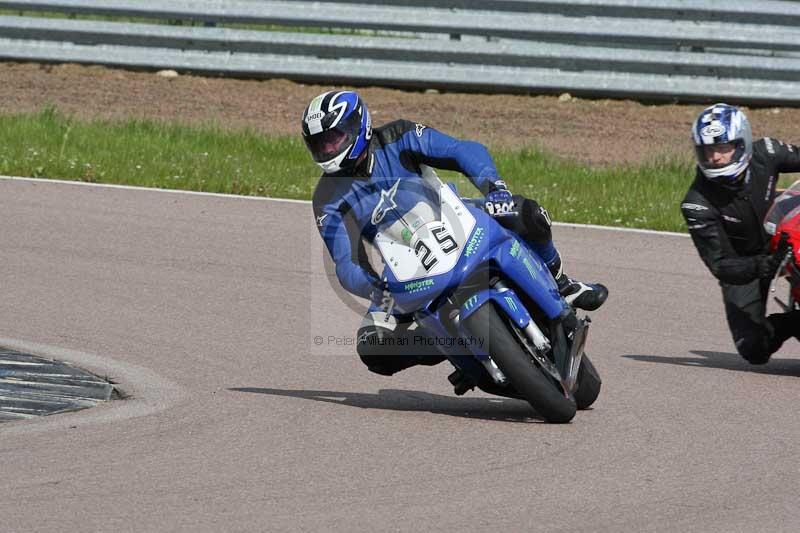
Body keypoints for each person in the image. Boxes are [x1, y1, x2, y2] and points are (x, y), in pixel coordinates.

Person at [304, 90, 608, 378]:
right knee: (372, 346)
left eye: (333, 139)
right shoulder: (326, 199)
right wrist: (375, 288)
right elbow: (345, 264)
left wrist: (494, 188)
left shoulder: (399, 135)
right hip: (403, 267)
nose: (327, 150)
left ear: (360, 126)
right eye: (319, 145)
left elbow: (461, 150)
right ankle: (451, 347)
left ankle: (561, 282)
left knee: (523, 212)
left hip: (455, 218)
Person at [681, 102, 800, 365]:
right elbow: (720, 265)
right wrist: (763, 265)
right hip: (745, 262)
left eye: (722, 147)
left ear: (742, 143)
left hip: (785, 235)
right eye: (708, 150)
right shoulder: (697, 203)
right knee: (754, 350)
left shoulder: (767, 151)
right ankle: (794, 322)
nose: (715, 157)